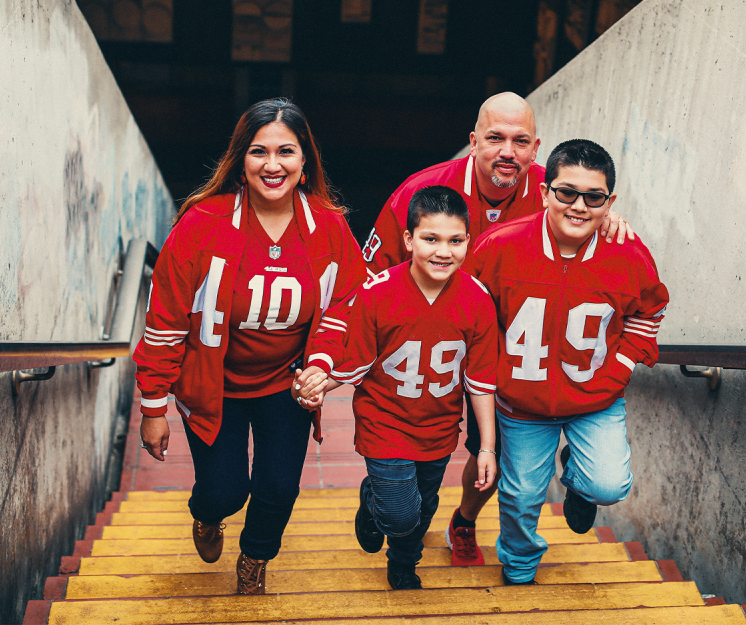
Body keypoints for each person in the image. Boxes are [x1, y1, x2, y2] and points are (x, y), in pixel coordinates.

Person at [360, 91, 636, 566]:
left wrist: (603, 216)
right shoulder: (420, 192)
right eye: (495, 138)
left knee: (498, 450)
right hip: (431, 346)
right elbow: (369, 278)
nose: (508, 151)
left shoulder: (555, 193)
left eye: (521, 141)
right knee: (410, 441)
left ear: (536, 149)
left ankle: (464, 520)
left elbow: (587, 214)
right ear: (473, 142)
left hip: (509, 354)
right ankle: (381, 493)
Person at [134, 98, 368, 595]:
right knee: (224, 491)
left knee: (279, 488)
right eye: (259, 152)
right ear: (241, 161)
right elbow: (165, 321)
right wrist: (153, 405)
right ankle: (207, 514)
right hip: (213, 384)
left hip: (285, 383)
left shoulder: (329, 227)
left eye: (287, 151)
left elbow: (347, 303)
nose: (273, 164)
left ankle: (256, 557)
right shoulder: (202, 224)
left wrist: (321, 365)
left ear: (305, 162)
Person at [465, 139, 669, 585]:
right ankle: (519, 564)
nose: (579, 206)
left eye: (593, 197)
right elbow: (469, 315)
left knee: (609, 485)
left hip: (596, 398)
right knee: (520, 495)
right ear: (543, 192)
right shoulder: (499, 246)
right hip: (522, 402)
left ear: (609, 202)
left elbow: (650, 312)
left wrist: (619, 369)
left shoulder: (629, 254)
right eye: (566, 192)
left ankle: (579, 484)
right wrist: (491, 373)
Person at [295, 186, 500, 589]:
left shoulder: (478, 301)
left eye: (455, 240)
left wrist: (488, 448)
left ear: (467, 243)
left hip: (439, 429)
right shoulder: (377, 293)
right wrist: (318, 383)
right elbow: (357, 362)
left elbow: (480, 381)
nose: (444, 251)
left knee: (424, 509)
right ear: (408, 240)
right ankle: (374, 506)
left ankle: (403, 563)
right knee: (400, 514)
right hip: (384, 423)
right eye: (431, 238)